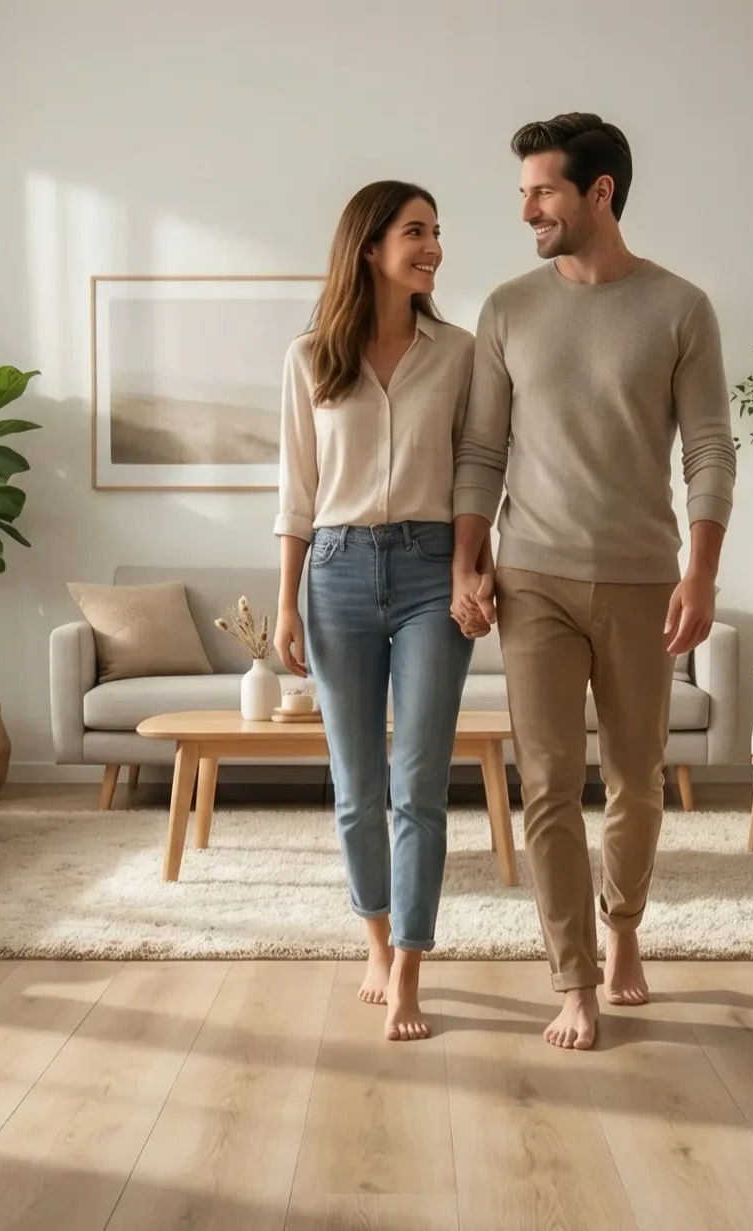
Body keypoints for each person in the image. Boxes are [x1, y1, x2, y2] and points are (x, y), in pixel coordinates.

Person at [451, 113, 736, 1051]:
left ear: (598, 193)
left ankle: (623, 929)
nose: (526, 208)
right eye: (525, 191)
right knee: (546, 784)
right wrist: (468, 555)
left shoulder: (680, 307)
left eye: (543, 191)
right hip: (530, 577)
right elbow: (483, 450)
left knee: (636, 781)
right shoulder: (506, 309)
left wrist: (701, 569)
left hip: (643, 579)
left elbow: (707, 449)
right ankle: (572, 978)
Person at [275, 180, 477, 1043]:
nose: (432, 246)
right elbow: (296, 492)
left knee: (419, 784)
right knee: (358, 788)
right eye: (415, 231)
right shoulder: (311, 356)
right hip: (338, 570)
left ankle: (410, 970)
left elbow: (477, 472)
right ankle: (375, 939)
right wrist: (285, 601)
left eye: (436, 232)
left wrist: (475, 567)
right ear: (369, 247)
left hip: (435, 570)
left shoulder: (463, 353)